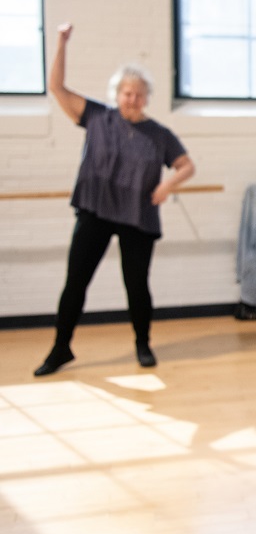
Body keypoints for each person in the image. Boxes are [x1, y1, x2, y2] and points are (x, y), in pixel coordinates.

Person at [34, 23, 195, 377]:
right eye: (126, 93)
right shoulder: (96, 117)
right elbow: (56, 88)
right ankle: (61, 348)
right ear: (117, 94)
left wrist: (168, 186)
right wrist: (61, 43)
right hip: (96, 211)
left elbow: (186, 166)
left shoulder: (159, 135)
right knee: (76, 281)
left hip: (137, 216)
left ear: (146, 98)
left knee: (136, 284)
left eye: (138, 94)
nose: (132, 99)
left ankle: (143, 343)